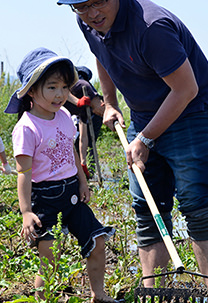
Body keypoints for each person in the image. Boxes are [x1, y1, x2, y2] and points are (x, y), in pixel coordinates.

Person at [57, 0, 208, 289]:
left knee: (197, 204)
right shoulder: (86, 21)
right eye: (81, 6)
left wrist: (146, 139)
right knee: (148, 207)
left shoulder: (151, 28)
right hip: (144, 117)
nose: (93, 13)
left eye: (100, 1)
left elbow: (186, 90)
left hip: (193, 115)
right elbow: (103, 57)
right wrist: (109, 104)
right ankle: (154, 291)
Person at [4, 47, 122, 303]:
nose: (60, 95)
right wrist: (26, 212)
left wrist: (82, 182)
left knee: (97, 241)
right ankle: (42, 300)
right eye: (52, 87)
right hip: (45, 198)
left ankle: (98, 294)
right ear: (32, 90)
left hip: (71, 193)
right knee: (50, 259)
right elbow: (23, 173)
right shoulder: (26, 127)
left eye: (64, 88)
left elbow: (71, 155)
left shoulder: (65, 117)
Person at [64, 66, 104, 178]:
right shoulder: (81, 86)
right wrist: (77, 102)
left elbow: (84, 137)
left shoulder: (87, 104)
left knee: (89, 143)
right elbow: (63, 90)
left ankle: (87, 172)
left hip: (80, 113)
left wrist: (83, 161)